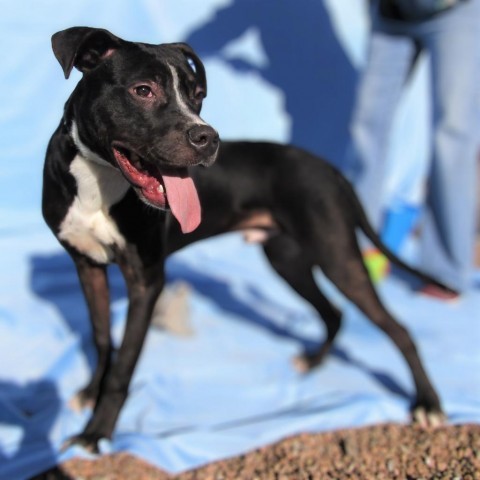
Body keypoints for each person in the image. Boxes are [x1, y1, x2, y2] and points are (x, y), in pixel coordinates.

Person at [348, 0, 480, 298]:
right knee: (366, 128)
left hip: (456, 10)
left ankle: (445, 271)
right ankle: (352, 250)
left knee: (454, 134)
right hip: (392, 12)